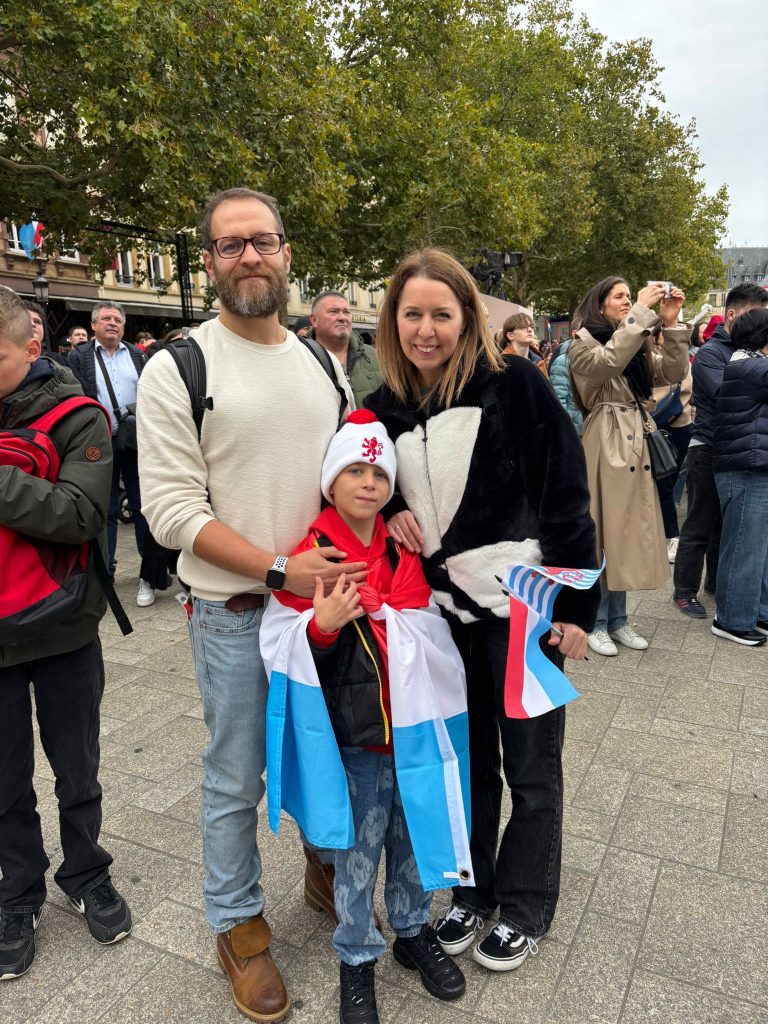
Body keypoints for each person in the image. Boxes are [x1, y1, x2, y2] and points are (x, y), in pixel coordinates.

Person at [136, 187, 358, 1024]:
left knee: (331, 754)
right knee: (236, 776)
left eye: (262, 240)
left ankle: (324, 871)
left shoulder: (321, 363)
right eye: (230, 246)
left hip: (323, 609)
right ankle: (237, 925)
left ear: (287, 251)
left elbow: (347, 477)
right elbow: (171, 513)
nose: (250, 256)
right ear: (208, 263)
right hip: (235, 615)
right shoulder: (180, 366)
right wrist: (278, 570)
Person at [366, 248, 599, 972]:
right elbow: (352, 483)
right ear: (393, 321)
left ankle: (526, 903)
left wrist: (577, 607)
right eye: (412, 314)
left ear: (467, 317)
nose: (426, 329)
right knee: (466, 764)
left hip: (523, 610)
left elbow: (566, 492)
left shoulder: (516, 383)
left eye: (441, 314)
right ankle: (473, 891)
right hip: (440, 619)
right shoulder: (381, 406)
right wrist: (390, 509)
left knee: (532, 767)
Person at [261, 409, 469, 1024]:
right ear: (330, 481)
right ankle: (356, 955)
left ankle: (412, 929)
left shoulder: (402, 549)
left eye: (379, 474)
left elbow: (423, 623)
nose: (369, 483)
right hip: (352, 737)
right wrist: (322, 628)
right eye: (354, 470)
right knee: (356, 854)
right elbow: (284, 644)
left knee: (412, 836)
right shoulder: (311, 555)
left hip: (411, 730)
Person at [0, 290, 131, 982]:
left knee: (76, 765)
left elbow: (81, 514)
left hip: (63, 624)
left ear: (32, 347)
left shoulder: (77, 414)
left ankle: (86, 872)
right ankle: (17, 894)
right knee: (3, 779)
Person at [568, 277, 690, 657]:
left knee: (625, 535)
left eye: (628, 296)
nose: (626, 301)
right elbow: (605, 364)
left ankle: (618, 619)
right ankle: (596, 621)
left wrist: (671, 324)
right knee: (604, 534)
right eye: (618, 296)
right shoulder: (582, 342)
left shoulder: (635, 339)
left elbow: (672, 373)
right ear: (599, 303)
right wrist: (640, 313)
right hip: (606, 440)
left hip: (635, 441)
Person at [672, 285, 768, 618]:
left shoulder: (749, 353)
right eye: (756, 314)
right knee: (699, 524)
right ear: (732, 314)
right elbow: (727, 393)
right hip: (709, 446)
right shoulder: (712, 353)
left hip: (738, 452)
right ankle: (685, 591)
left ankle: (716, 583)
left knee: (728, 527)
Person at [67, 302, 153, 605]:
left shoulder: (138, 356)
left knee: (142, 506)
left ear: (124, 326)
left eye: (117, 319)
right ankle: (107, 571)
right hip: (97, 442)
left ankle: (148, 574)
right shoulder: (79, 357)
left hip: (134, 441)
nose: (112, 323)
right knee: (105, 509)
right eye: (106, 318)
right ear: (94, 325)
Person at [711, 308, 768, 646]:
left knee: (757, 548)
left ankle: (758, 613)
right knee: (744, 548)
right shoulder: (752, 368)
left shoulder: (748, 365)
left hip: (751, 466)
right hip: (746, 468)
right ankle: (731, 620)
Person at [651, 329, 695, 563]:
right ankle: (667, 536)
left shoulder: (668, 361)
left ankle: (671, 536)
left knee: (664, 484)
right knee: (665, 484)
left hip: (668, 426)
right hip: (676, 426)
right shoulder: (653, 358)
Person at [310, 290, 382, 405]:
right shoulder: (300, 359)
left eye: (346, 312)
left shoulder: (376, 357)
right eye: (333, 312)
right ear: (314, 320)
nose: (343, 317)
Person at [549, 334, 583, 435]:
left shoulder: (589, 356)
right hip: (574, 428)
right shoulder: (562, 361)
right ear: (575, 333)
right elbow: (559, 399)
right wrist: (567, 427)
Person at [499, 312, 548, 377]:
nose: (530, 330)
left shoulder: (539, 362)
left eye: (532, 327)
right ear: (510, 335)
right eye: (523, 327)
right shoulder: (503, 364)